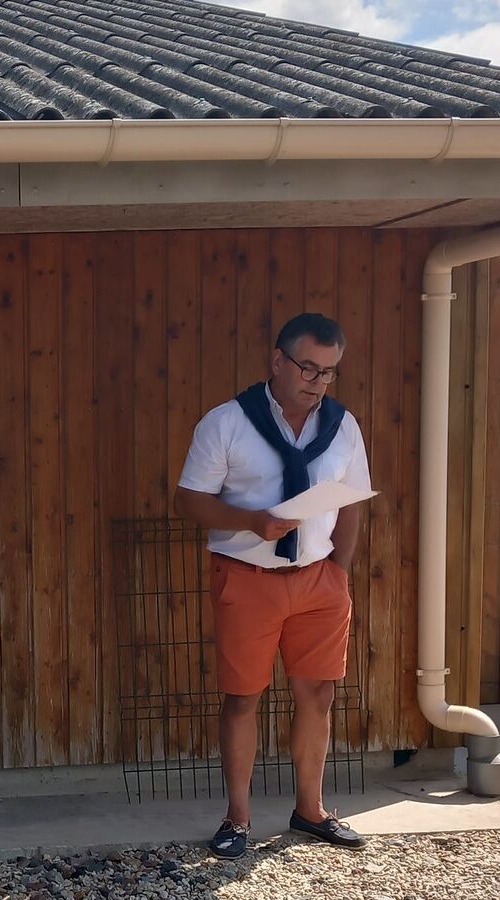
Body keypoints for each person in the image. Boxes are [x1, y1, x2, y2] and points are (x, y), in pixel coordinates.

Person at [175, 312, 372, 860]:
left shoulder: (342, 426)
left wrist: (340, 569)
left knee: (319, 694)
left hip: (320, 581)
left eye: (329, 372)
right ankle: (238, 819)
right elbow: (188, 500)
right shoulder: (227, 422)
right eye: (308, 367)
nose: (317, 381)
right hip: (248, 578)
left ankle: (311, 811)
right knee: (242, 698)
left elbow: (352, 500)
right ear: (277, 361)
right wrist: (252, 522)